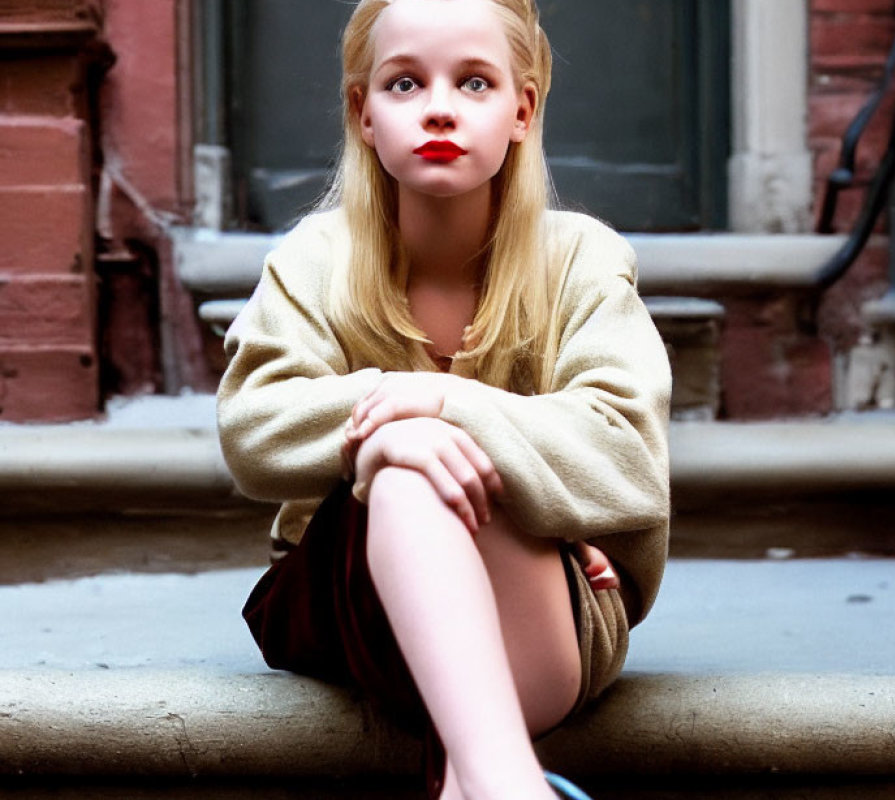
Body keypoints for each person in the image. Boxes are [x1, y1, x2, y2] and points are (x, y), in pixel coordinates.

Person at [216, 0, 671, 798]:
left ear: (522, 110)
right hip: (349, 609)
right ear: (362, 113)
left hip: (552, 616)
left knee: (420, 455)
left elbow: (626, 454)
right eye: (402, 84)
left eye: (473, 82)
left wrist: (433, 404)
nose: (437, 108)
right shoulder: (316, 259)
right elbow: (253, 428)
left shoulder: (582, 260)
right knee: (404, 472)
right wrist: (389, 438)